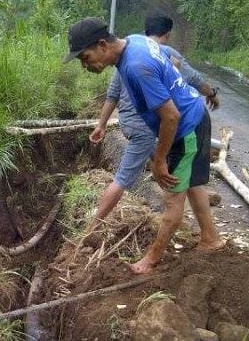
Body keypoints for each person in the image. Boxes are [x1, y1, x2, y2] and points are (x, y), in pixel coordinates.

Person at [64, 18, 224, 274]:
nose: (85, 65)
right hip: (195, 114)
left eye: (85, 57)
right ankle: (211, 238)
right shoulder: (135, 42)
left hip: (186, 128)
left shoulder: (137, 66)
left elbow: (171, 117)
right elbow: (172, 66)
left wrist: (159, 161)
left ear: (102, 44)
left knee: (173, 197)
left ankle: (151, 259)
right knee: (192, 183)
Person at [88, 13, 220, 227]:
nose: (86, 65)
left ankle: (206, 231)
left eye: (85, 58)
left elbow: (113, 95)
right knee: (132, 176)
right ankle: (92, 227)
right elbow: (192, 80)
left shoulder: (133, 45)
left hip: (136, 125)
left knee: (175, 170)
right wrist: (212, 93)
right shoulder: (155, 53)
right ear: (167, 35)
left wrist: (101, 124)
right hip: (150, 127)